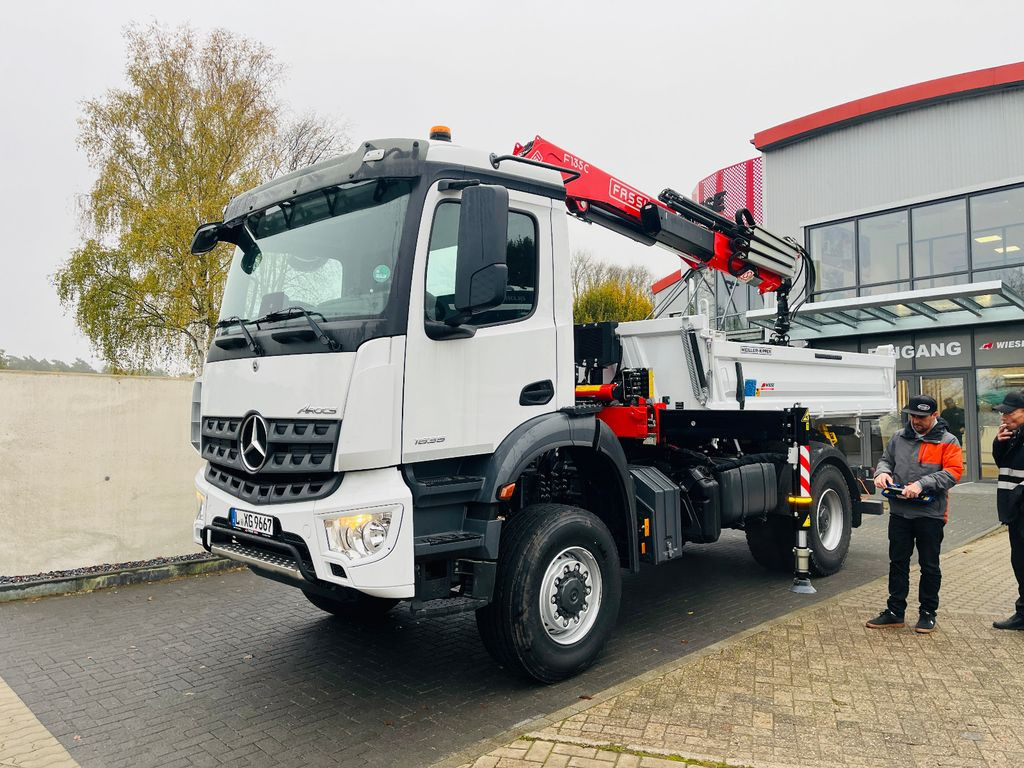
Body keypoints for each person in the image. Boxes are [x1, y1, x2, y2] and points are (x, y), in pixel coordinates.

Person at [866, 394, 963, 634]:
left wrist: (922, 484)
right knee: (898, 563)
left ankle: (928, 613)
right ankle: (895, 612)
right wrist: (882, 473)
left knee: (929, 565)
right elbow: (886, 460)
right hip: (900, 512)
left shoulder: (948, 441)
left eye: (921, 417)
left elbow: (953, 473)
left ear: (934, 416)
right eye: (913, 416)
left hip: (930, 514)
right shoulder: (899, 437)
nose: (916, 421)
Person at [991, 391, 1024, 630]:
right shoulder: (1013, 435)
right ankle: (1022, 614)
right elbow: (1003, 465)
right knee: (1020, 562)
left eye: (1009, 412)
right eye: (1003, 412)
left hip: (1020, 507)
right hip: (1015, 512)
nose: (1004, 417)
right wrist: (998, 443)